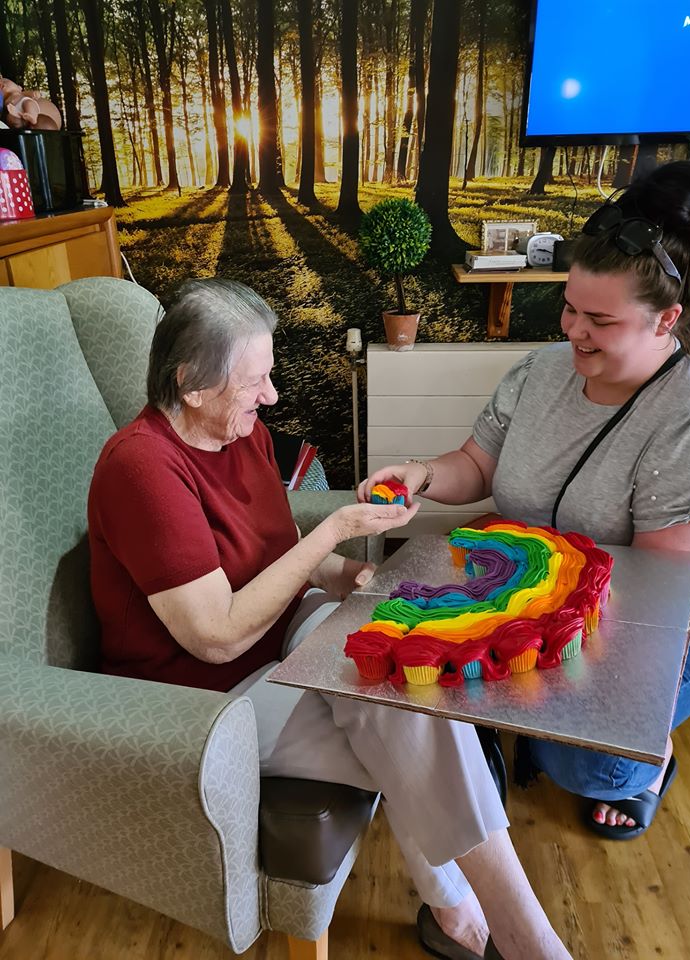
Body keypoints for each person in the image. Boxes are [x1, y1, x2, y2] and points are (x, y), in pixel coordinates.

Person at [88, 278, 572, 960]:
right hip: (199, 699)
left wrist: (352, 576)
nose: (271, 396)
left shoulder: (243, 434)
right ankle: (518, 937)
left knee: (407, 675)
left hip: (279, 647)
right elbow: (215, 637)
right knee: (409, 725)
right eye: (254, 381)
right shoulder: (141, 468)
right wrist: (337, 529)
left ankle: (466, 913)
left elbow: (277, 549)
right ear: (190, 385)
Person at [360, 160, 690, 842]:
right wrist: (421, 474)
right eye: (569, 307)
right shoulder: (541, 370)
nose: (574, 330)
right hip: (537, 579)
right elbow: (475, 466)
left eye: (599, 320)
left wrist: (508, 624)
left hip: (665, 617)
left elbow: (650, 588)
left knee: (587, 765)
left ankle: (650, 761)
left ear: (666, 320)